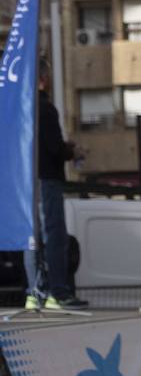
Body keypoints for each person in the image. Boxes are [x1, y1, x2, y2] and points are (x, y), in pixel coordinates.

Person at [25, 61, 87, 310]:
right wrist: (72, 150)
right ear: (43, 77)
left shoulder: (21, 107)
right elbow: (54, 149)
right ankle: (58, 292)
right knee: (55, 235)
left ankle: (35, 292)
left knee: (31, 238)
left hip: (27, 182)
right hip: (47, 180)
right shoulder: (45, 109)